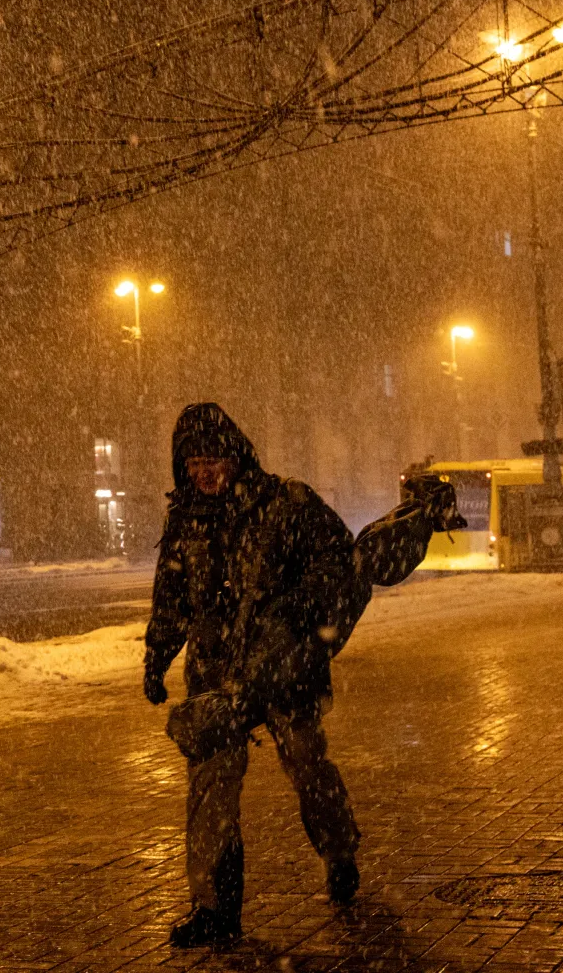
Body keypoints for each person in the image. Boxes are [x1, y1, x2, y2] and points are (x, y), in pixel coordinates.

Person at [144, 402, 458, 948]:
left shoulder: (286, 504)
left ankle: (339, 851)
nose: (203, 471)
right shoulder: (185, 519)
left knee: (307, 765)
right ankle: (215, 908)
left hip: (283, 668)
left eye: (212, 458)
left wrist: (298, 606)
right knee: (210, 786)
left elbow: (338, 560)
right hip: (217, 677)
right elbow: (172, 597)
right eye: (192, 462)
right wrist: (157, 654)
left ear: (235, 455)